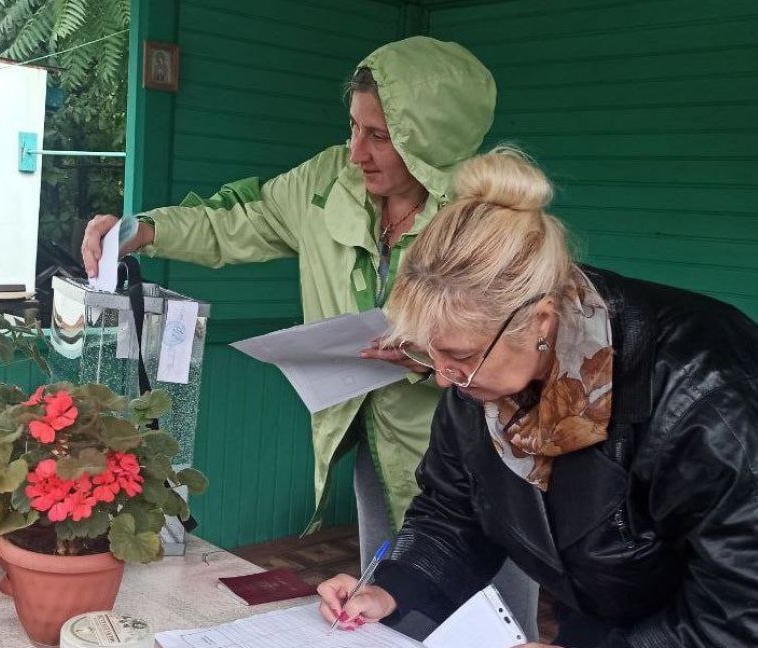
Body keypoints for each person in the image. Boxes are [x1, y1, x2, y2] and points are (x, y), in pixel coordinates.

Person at [81, 36, 538, 636]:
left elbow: (524, 340)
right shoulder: (326, 182)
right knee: (391, 602)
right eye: (353, 127)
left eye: (380, 136)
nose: (356, 152)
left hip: (481, 450)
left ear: (431, 142)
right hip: (376, 438)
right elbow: (239, 219)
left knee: (491, 617)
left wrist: (429, 356)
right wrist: (144, 229)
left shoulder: (483, 216)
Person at [315, 146, 758, 646]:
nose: (444, 379)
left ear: (541, 321)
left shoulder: (706, 391)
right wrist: (392, 588)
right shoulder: (481, 376)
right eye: (427, 353)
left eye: (460, 355)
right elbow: (451, 516)